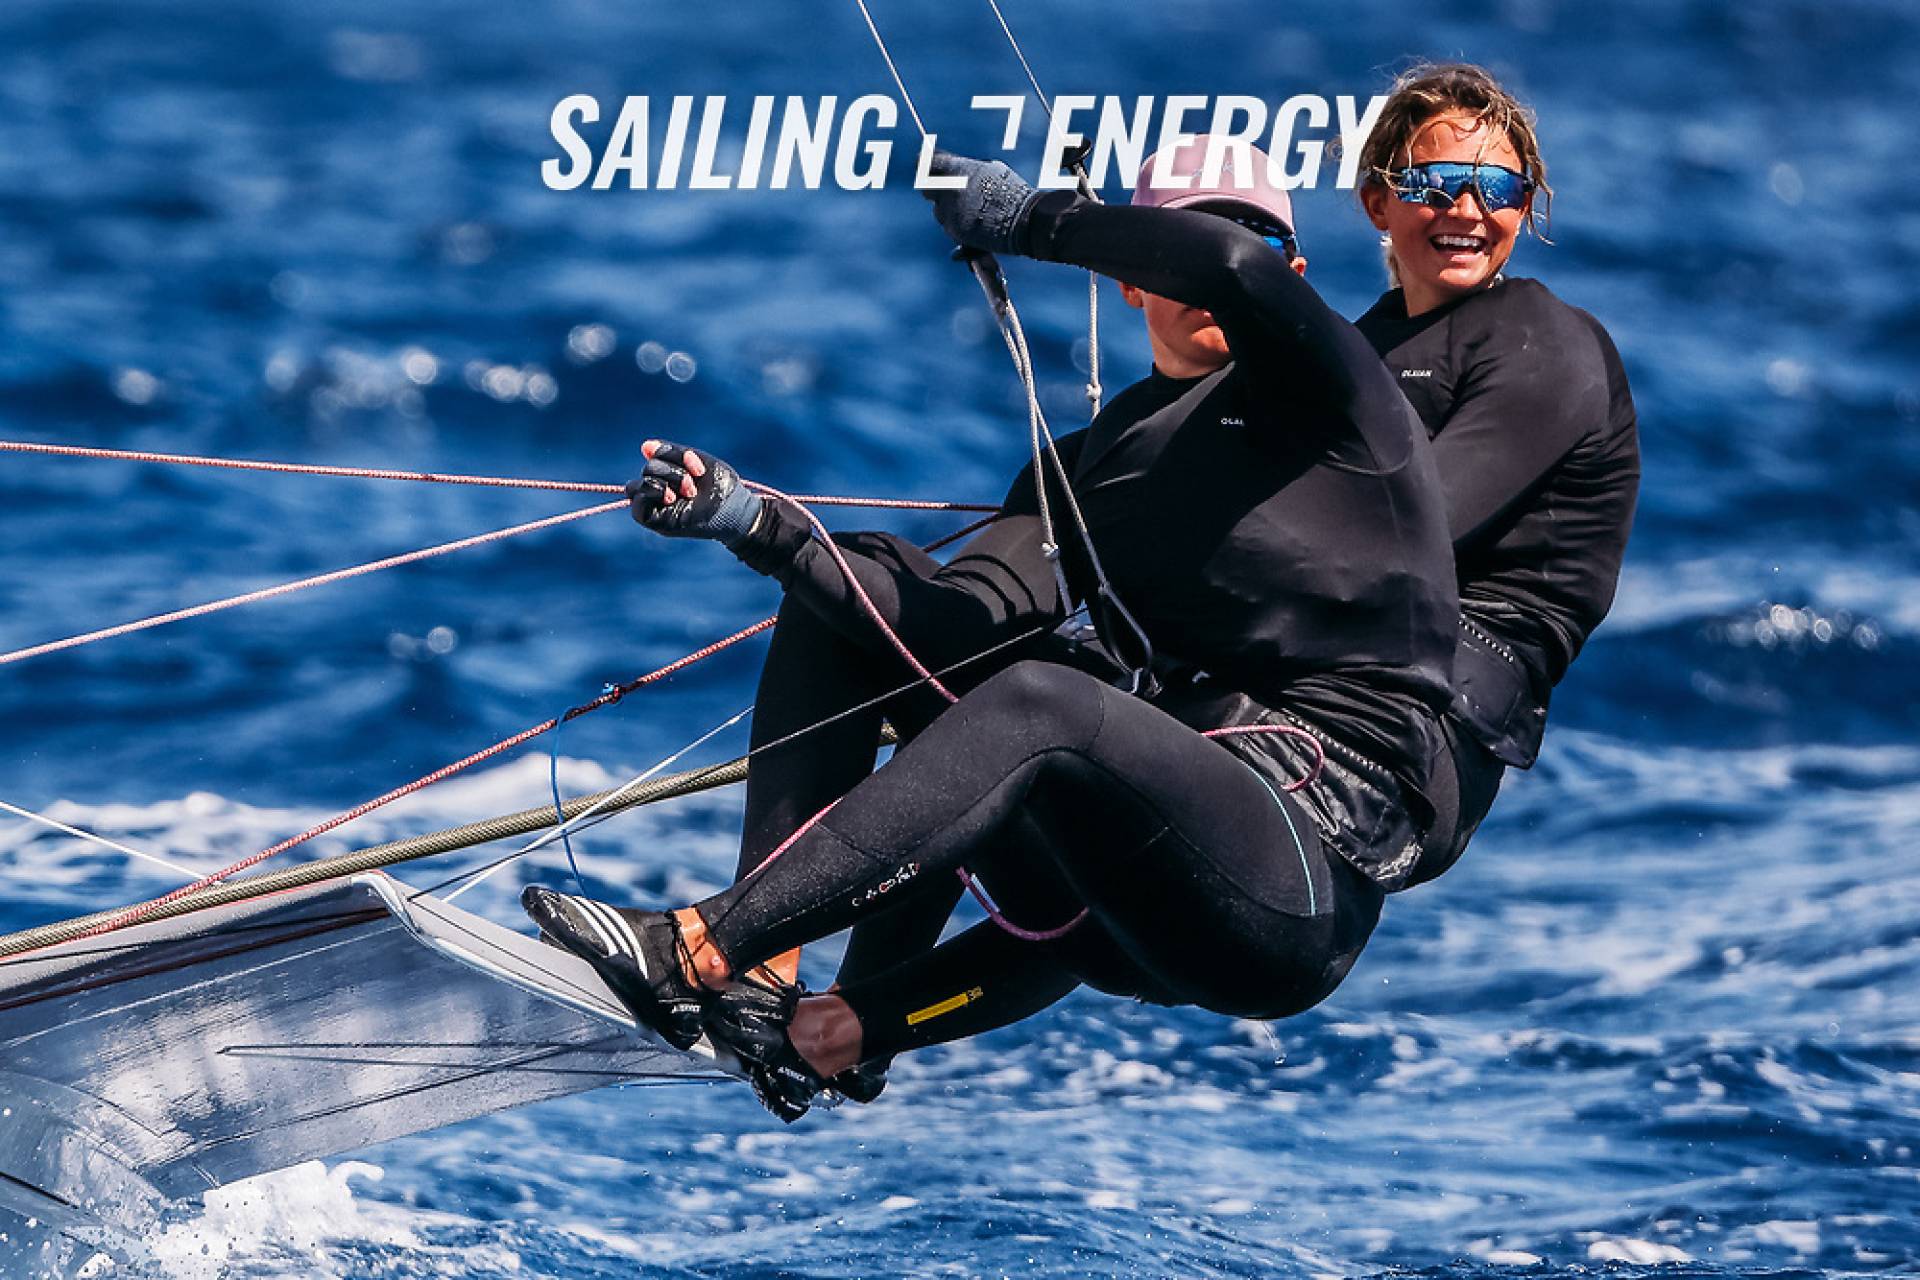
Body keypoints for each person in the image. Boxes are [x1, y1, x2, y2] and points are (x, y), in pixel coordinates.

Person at [524, 138, 1460, 1121]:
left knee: (1052, 703)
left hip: (1303, 877)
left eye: (1256, 235)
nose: (1216, 256)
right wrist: (758, 525)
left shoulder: (1338, 395)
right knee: (862, 589)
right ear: (1132, 280)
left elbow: (1230, 268)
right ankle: (789, 993)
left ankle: (706, 945)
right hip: (1129, 891)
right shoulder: (1089, 467)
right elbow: (947, 630)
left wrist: (1028, 220)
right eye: (1183, 236)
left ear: (1293, 272)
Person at [1352, 64, 1641, 880]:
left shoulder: (1541, 343)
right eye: (1435, 183)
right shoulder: (1360, 346)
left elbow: (1401, 538)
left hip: (1430, 734)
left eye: (1499, 188)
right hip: (1319, 668)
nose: (1468, 210)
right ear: (1378, 202)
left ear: (1525, 206)